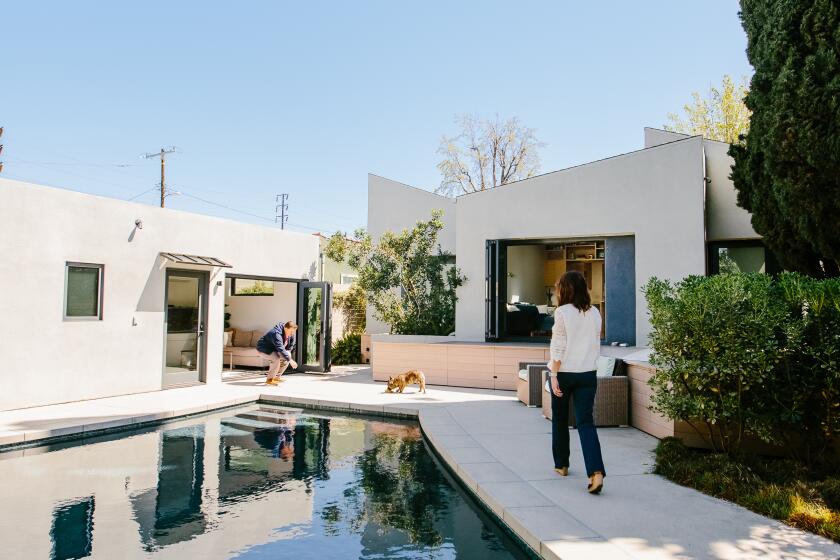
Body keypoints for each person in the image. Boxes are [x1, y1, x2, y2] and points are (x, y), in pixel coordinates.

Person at [547, 270, 606, 494]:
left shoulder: (562, 312)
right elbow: (594, 343)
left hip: (564, 373)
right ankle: (596, 472)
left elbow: (558, 347)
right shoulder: (595, 313)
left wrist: (553, 375)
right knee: (586, 423)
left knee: (560, 420)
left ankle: (561, 465)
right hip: (588, 373)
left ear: (565, 289)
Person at [256, 321, 298, 385]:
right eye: (291, 331)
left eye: (293, 332)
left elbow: (290, 346)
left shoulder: (290, 334)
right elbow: (280, 348)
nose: (292, 333)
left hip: (275, 350)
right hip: (264, 349)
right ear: (286, 328)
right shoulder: (276, 333)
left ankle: (276, 377)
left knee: (287, 356)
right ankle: (270, 379)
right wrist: (290, 360)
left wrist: (288, 356)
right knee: (275, 358)